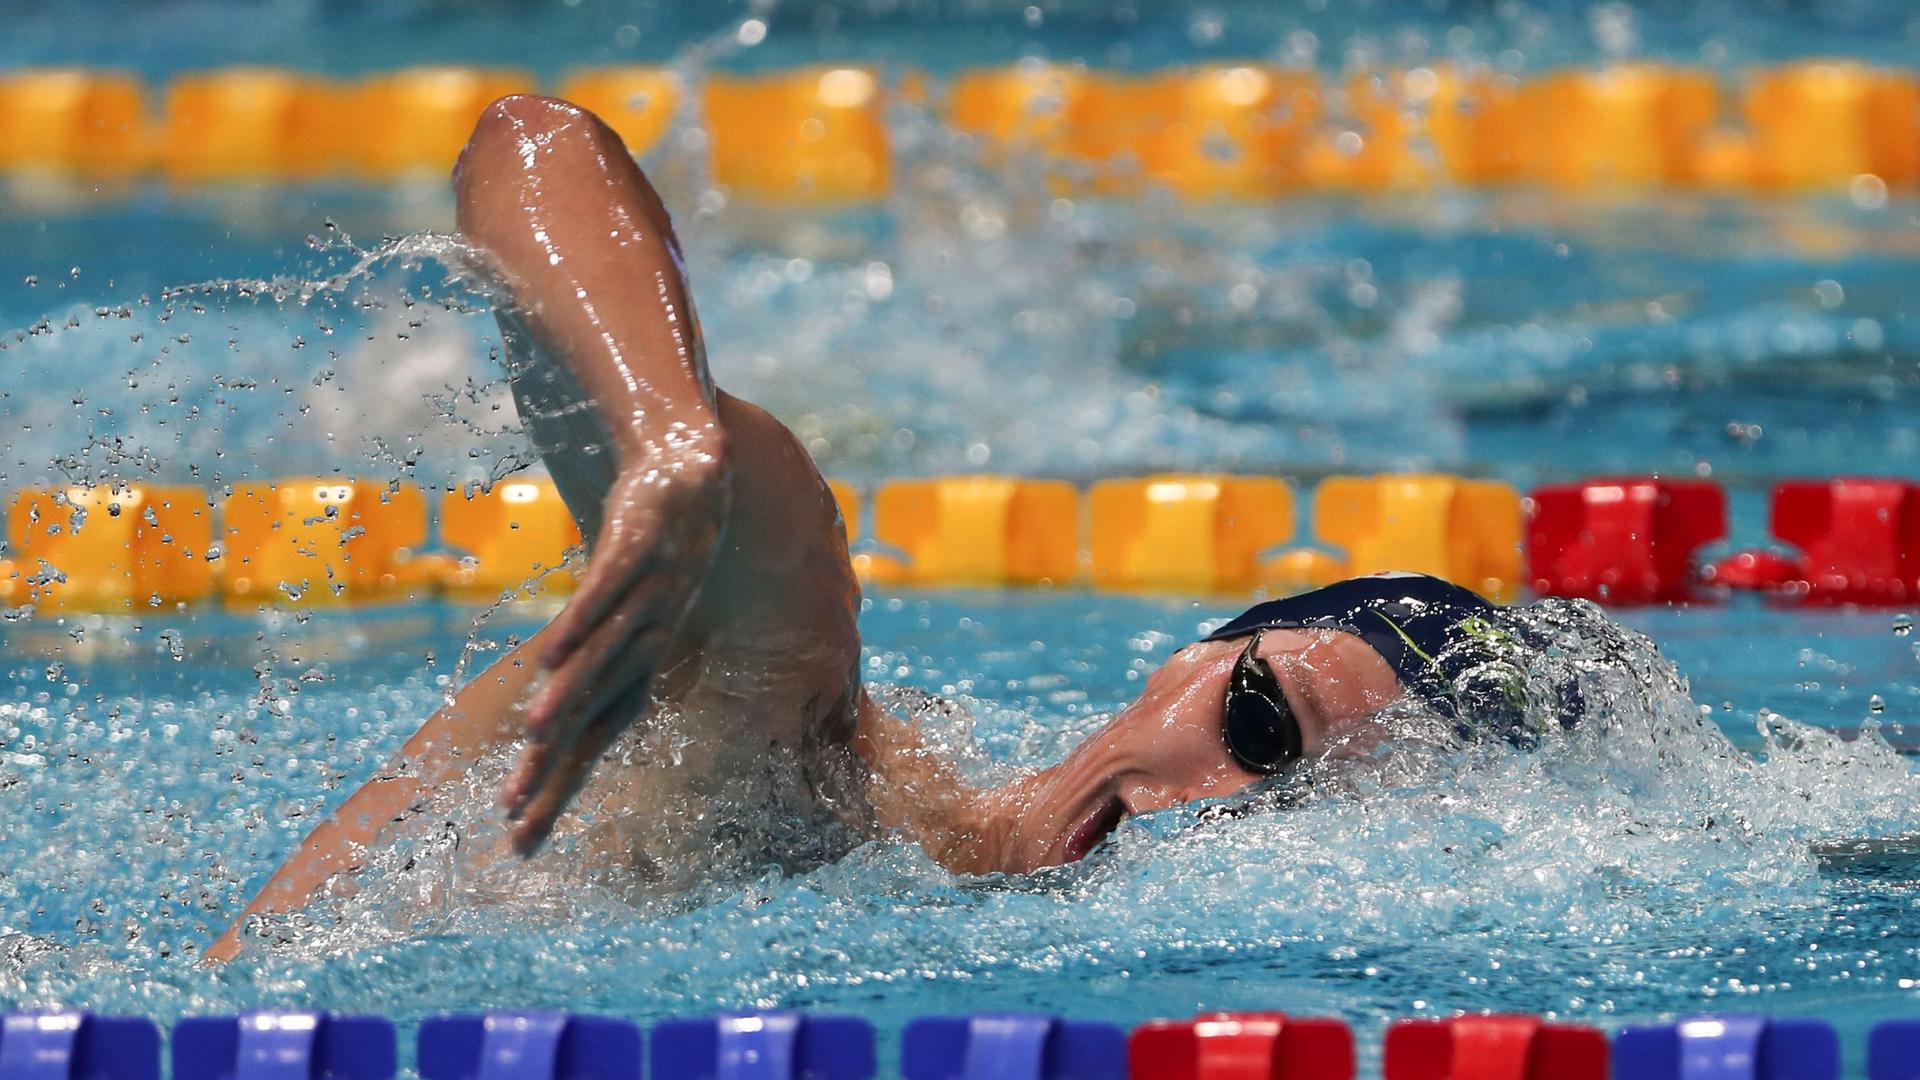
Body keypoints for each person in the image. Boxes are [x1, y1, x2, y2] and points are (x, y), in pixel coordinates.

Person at [207, 95, 1529, 962]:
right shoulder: (808, 759)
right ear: (1189, 658)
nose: (1217, 811)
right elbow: (533, 149)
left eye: (1305, 822)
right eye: (1258, 724)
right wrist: (674, 439)